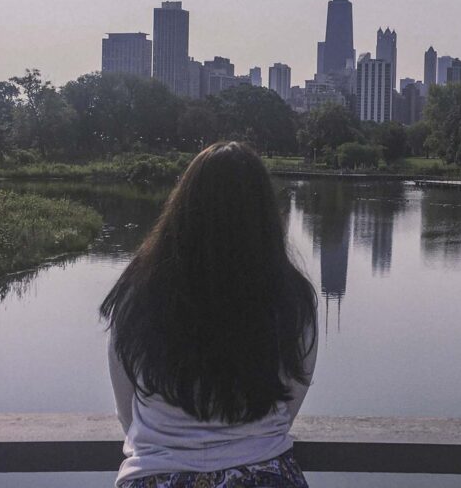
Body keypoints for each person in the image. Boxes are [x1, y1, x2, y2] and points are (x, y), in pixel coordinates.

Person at [101, 141, 318, 488]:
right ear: (264, 213)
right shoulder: (292, 298)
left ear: (183, 205)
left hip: (157, 475)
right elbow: (289, 405)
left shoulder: (138, 291)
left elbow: (127, 410)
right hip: (264, 473)